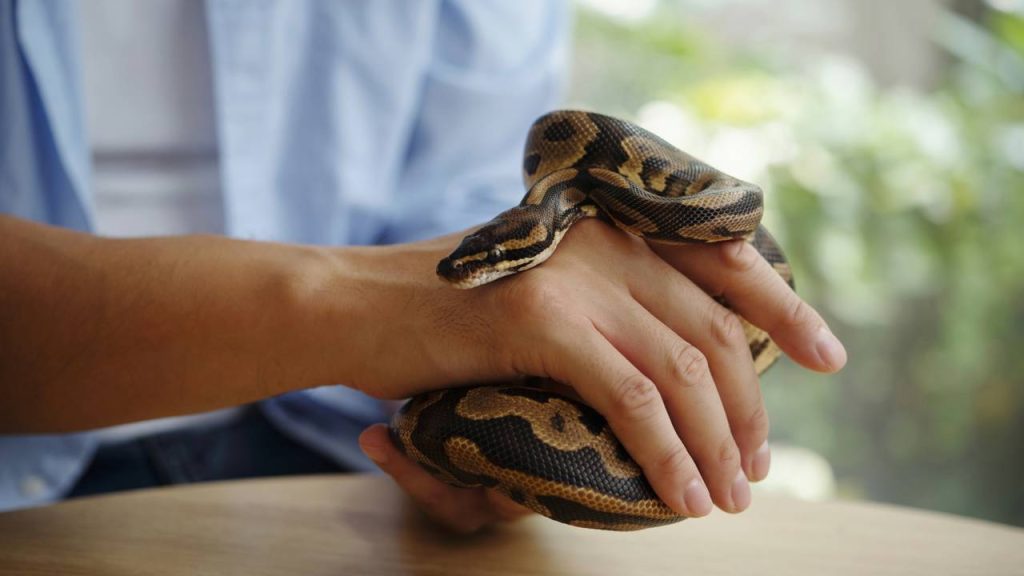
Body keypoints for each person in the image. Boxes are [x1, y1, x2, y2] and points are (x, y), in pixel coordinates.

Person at [0, 1, 846, 533]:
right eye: (482, 264)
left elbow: (461, 216)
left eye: (487, 264)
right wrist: (369, 310)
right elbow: (447, 278)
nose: (468, 270)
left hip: (336, 463)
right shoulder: (538, 207)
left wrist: (548, 380)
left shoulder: (553, 190)